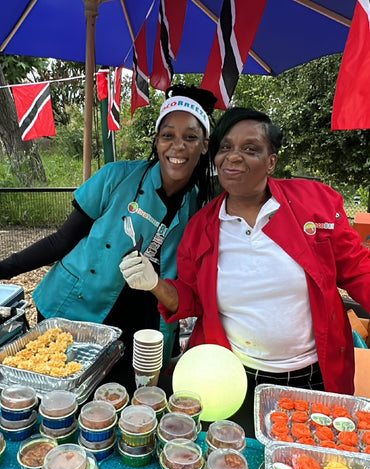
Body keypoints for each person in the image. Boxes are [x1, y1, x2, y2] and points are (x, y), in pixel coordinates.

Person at [120, 107, 370, 436]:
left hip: (314, 377)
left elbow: (358, 270)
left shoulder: (315, 204)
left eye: (250, 148)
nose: (233, 157)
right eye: (225, 147)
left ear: (271, 161)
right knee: (232, 465)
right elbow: (190, 297)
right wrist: (154, 284)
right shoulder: (202, 228)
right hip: (229, 378)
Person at [0, 84, 217, 396]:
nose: (177, 146)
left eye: (190, 137)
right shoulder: (117, 177)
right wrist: (4, 269)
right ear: (157, 141)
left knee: (124, 398)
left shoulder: (201, 206)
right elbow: (60, 242)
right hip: (76, 306)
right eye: (168, 135)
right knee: (60, 393)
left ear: (205, 144)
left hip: (141, 323)